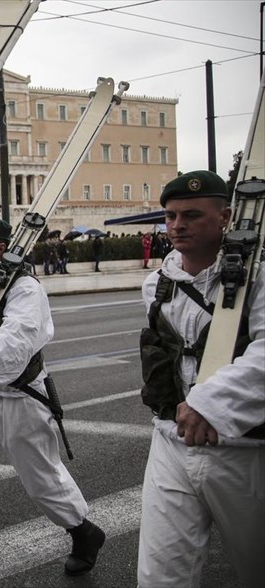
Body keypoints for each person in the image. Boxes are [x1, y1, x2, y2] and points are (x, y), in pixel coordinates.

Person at [0, 216, 104, 584]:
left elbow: (14, 345)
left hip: (20, 399)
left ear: (2, 249)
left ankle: (84, 532)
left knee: (42, 480)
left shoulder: (25, 288)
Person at [137, 170, 264, 587]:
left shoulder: (259, 277)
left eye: (191, 215)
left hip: (244, 451)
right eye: (170, 216)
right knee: (160, 574)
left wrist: (211, 402)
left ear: (227, 216)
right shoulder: (156, 285)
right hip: (170, 443)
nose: (177, 226)